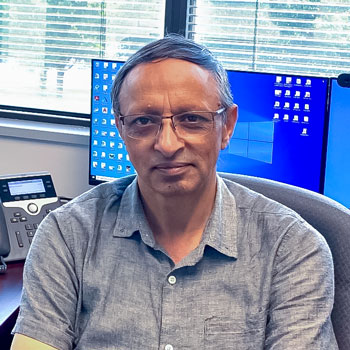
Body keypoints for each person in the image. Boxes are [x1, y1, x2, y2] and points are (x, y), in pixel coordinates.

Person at [11, 34, 338, 350]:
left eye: (192, 119)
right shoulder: (67, 234)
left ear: (227, 126)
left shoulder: (292, 248)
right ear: (121, 130)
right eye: (143, 121)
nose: (167, 144)